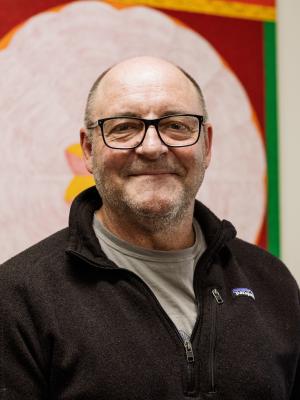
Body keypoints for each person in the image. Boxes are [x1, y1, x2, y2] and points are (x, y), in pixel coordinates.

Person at [0, 56, 299, 400]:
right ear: (88, 149)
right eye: (124, 127)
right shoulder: (18, 297)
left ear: (206, 144)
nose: (153, 147)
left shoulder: (272, 282)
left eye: (176, 125)